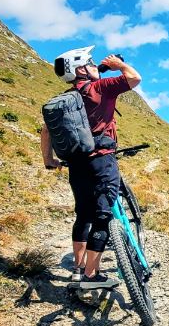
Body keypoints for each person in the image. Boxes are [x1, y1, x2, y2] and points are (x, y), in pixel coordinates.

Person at [40, 45, 141, 282]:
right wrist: (118, 65)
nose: (96, 66)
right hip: (101, 160)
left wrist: (49, 159)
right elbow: (134, 78)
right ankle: (91, 275)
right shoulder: (100, 88)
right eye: (91, 63)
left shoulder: (65, 100)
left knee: (83, 216)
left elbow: (46, 132)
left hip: (76, 164)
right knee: (102, 216)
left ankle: (78, 269)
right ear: (81, 69)